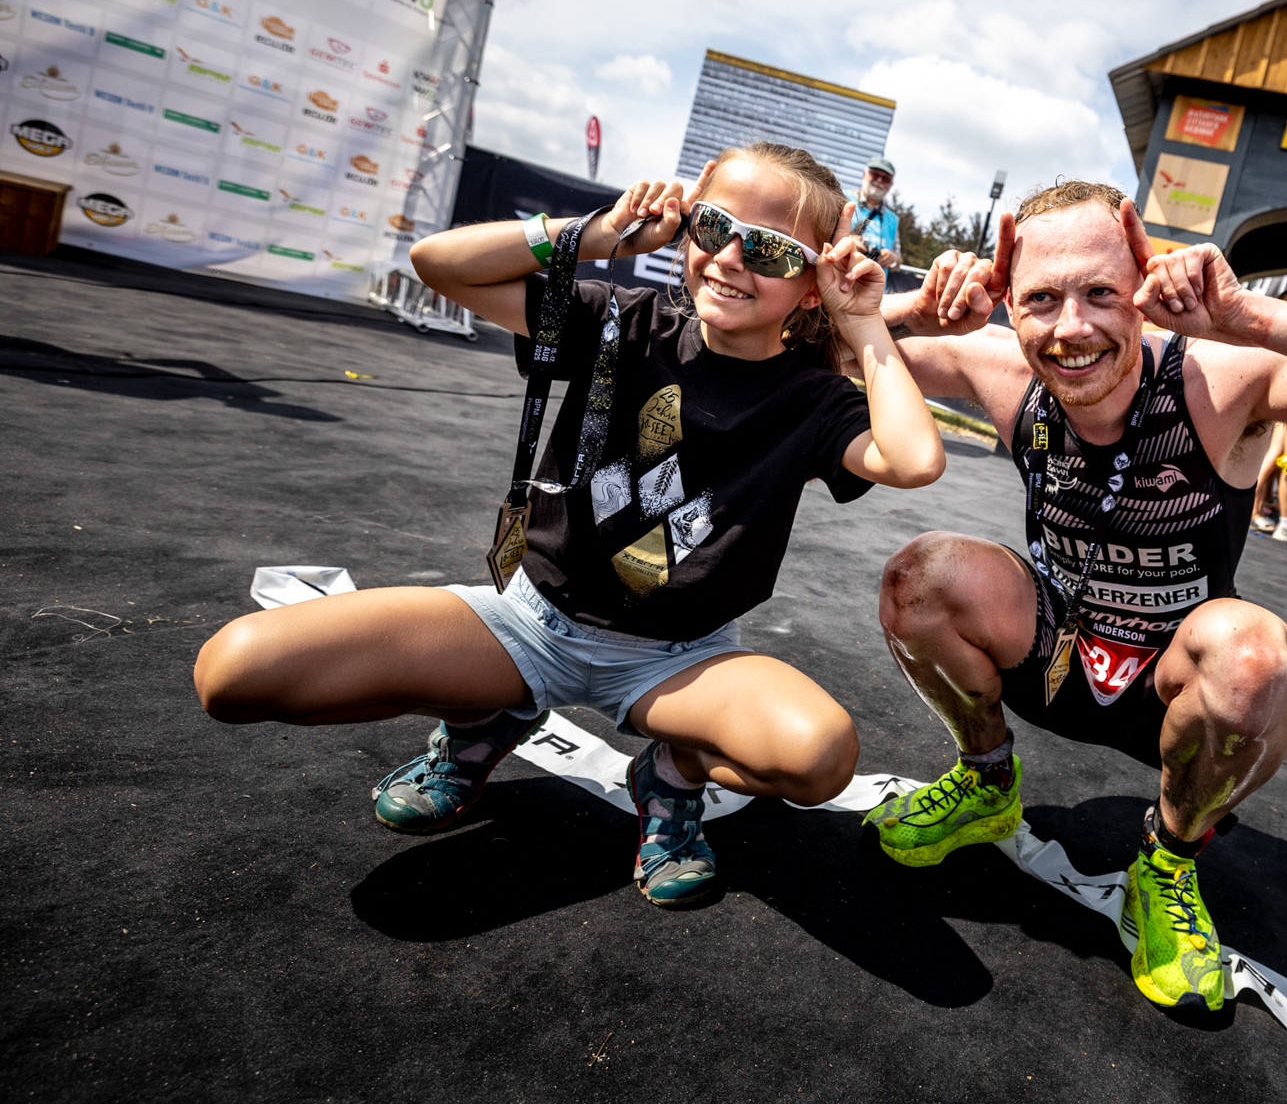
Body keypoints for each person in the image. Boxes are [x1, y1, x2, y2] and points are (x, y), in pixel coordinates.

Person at [190, 146, 946, 909]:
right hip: (531, 622)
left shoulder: (813, 398)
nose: (728, 258)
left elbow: (914, 460)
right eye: (714, 227)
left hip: (681, 662)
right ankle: (486, 718)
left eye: (771, 250)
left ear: (812, 283)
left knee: (820, 757)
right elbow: (437, 264)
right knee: (234, 671)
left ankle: (671, 775)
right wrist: (592, 234)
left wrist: (862, 322)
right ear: (686, 224)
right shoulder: (618, 319)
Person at [860, 181, 1287, 1011]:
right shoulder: (995, 365)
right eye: (1042, 299)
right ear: (1009, 302)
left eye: (1101, 292)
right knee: (920, 577)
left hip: (1175, 692)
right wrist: (914, 310)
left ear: (1143, 286)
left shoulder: (1221, 375)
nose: (1071, 329)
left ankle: (1168, 861)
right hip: (1054, 657)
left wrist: (1252, 317)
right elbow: (796, 351)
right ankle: (988, 782)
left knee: (1257, 659)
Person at [852, 156, 902, 268]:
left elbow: (898, 259)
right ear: (864, 174)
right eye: (875, 174)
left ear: (891, 185)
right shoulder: (842, 199)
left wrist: (893, 258)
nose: (879, 181)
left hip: (876, 278)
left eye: (886, 179)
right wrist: (847, 241)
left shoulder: (893, 219)